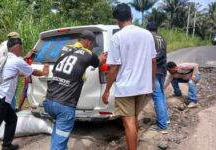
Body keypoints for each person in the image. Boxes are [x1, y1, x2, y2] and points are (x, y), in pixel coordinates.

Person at [101, 3, 157, 150]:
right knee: (134, 119)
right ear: (131, 17)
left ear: (117, 20)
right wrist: (150, 83)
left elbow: (114, 67)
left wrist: (107, 90)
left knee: (129, 122)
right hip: (143, 87)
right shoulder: (147, 35)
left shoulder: (117, 37)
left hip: (126, 88)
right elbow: (153, 61)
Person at [0, 38, 49, 150]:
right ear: (18, 47)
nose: (22, 50)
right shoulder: (17, 61)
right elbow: (33, 71)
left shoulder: (6, 58)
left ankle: (7, 145)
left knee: (12, 119)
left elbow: (15, 73)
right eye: (21, 48)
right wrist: (44, 72)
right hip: (0, 97)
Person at [43, 30, 107, 150]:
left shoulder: (65, 48)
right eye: (93, 45)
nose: (93, 48)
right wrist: (101, 57)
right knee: (59, 144)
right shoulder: (89, 54)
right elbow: (98, 62)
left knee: (59, 136)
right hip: (64, 105)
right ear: (87, 42)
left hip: (49, 101)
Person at [147, 21, 169, 134]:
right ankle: (166, 120)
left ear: (147, 30)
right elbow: (162, 54)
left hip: (154, 70)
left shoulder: (149, 38)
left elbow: (152, 56)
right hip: (163, 70)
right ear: (157, 29)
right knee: (161, 95)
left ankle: (162, 125)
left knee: (157, 96)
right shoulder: (162, 38)